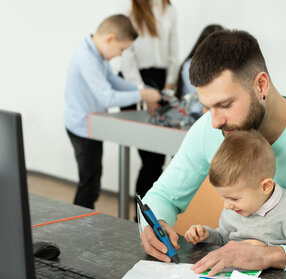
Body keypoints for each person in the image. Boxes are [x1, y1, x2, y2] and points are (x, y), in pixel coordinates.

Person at [140, 29, 286, 277]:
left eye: (225, 105)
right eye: (207, 107)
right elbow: (161, 196)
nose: (214, 121)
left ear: (261, 85)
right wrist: (152, 226)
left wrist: (269, 255)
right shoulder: (210, 130)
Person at [63, 14, 161, 209]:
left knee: (93, 180)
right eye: (121, 49)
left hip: (91, 126)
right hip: (82, 128)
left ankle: (85, 222)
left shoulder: (96, 55)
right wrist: (143, 95)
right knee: (89, 183)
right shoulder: (86, 57)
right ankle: (78, 226)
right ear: (109, 39)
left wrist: (142, 90)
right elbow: (107, 97)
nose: (120, 54)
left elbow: (114, 82)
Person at [184, 130, 286, 247]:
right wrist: (206, 235)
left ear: (265, 187)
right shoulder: (234, 209)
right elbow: (224, 239)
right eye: (223, 197)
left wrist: (268, 251)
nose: (226, 205)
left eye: (234, 198)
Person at [118, 0, 180, 213]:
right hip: (136, 83)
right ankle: (140, 217)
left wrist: (170, 82)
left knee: (162, 158)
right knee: (150, 161)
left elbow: (173, 50)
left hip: (162, 81)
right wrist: (144, 93)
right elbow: (127, 57)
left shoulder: (168, 9)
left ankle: (156, 215)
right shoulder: (129, 9)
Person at [175, 24, 224, 117]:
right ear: (199, 46)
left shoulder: (225, 69)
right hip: (192, 115)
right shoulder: (189, 66)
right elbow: (200, 95)